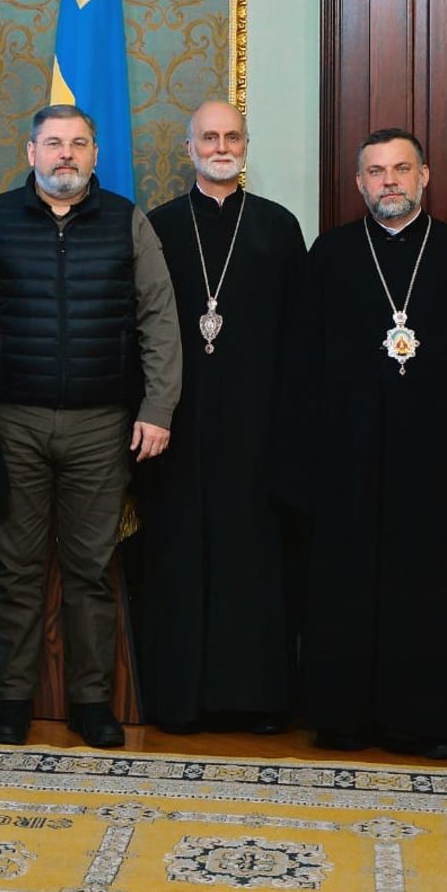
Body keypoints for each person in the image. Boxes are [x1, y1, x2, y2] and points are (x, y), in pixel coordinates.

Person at [281, 128, 447, 759]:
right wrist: (304, 466)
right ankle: (344, 718)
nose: (389, 182)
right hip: (348, 461)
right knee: (346, 588)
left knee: (431, 592)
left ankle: (431, 720)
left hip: (438, 465)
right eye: (376, 172)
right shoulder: (330, 255)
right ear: (359, 183)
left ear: (425, 176)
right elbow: (302, 368)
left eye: (401, 169)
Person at [0, 104, 181, 749]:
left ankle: (91, 702)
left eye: (78, 144)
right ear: (31, 152)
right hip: (13, 421)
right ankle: (11, 700)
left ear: (94, 154)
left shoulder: (126, 221)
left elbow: (159, 319)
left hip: (102, 424)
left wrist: (158, 407)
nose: (66, 155)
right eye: (53, 143)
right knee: (18, 568)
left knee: (90, 569)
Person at [133, 100, 305, 734]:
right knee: (180, 557)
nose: (222, 145)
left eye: (233, 135)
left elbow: (300, 334)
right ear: (189, 149)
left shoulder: (279, 228)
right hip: (177, 425)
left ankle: (256, 699)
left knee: (253, 561)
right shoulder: (157, 227)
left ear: (245, 145)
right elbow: (140, 329)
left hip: (259, 425)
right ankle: (180, 700)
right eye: (210, 136)